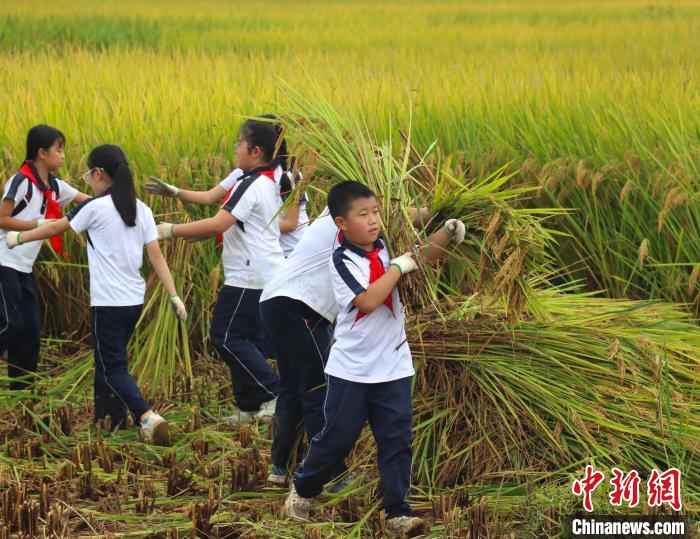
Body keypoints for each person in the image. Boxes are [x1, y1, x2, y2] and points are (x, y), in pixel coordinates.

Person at [284, 181, 465, 536]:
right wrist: (398, 266)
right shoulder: (342, 259)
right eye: (363, 215)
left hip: (394, 364)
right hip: (352, 369)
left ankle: (398, 511)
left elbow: (419, 259)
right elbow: (368, 300)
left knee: (397, 438)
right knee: (338, 437)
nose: (373, 221)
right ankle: (303, 487)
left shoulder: (387, 245)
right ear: (341, 223)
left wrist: (446, 234)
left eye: (376, 212)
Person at [6, 144, 186, 445]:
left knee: (113, 367)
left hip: (107, 303)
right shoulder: (141, 208)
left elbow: (56, 229)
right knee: (108, 362)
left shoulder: (94, 207)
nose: (87, 179)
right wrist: (173, 296)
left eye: (89, 173)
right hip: (133, 301)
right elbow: (155, 256)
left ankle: (147, 417)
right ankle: (108, 420)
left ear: (99, 173)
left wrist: (18, 237)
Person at [156, 118, 286, 423]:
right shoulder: (261, 181)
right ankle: (250, 405)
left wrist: (171, 230)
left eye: (239, 144)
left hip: (250, 275)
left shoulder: (252, 184)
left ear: (255, 151)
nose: (236, 149)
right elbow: (223, 227)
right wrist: (179, 233)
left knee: (225, 337)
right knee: (244, 339)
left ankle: (274, 391)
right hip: (259, 272)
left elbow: (217, 224)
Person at [0, 124, 90, 390]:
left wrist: (116, 201)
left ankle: (21, 393)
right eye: (58, 150)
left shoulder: (54, 186)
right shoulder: (21, 182)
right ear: (41, 153)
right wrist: (40, 225)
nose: (63, 156)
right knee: (9, 323)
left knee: (29, 331)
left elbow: (87, 201)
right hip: (4, 261)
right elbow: (2, 218)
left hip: (24, 267)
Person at [143, 115, 309, 255]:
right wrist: (175, 191)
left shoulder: (289, 175)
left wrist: (227, 229)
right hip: (269, 252)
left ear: (260, 147)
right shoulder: (245, 173)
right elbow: (209, 197)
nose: (237, 148)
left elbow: (290, 223)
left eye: (242, 142)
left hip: (293, 252)